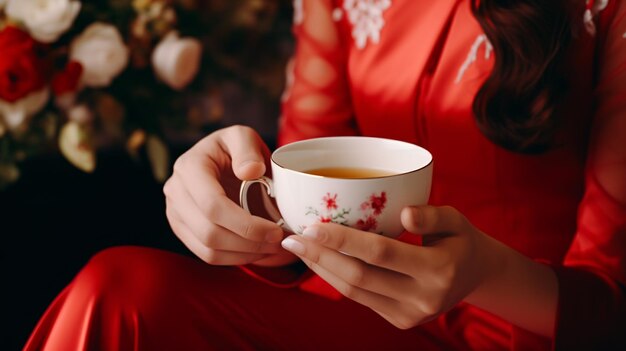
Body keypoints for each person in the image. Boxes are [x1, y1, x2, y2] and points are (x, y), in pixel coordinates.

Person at [24, 0, 626, 350]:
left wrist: (485, 274)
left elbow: (612, 301)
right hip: (344, 316)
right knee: (123, 289)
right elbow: (304, 184)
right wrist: (243, 215)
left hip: (524, 335)